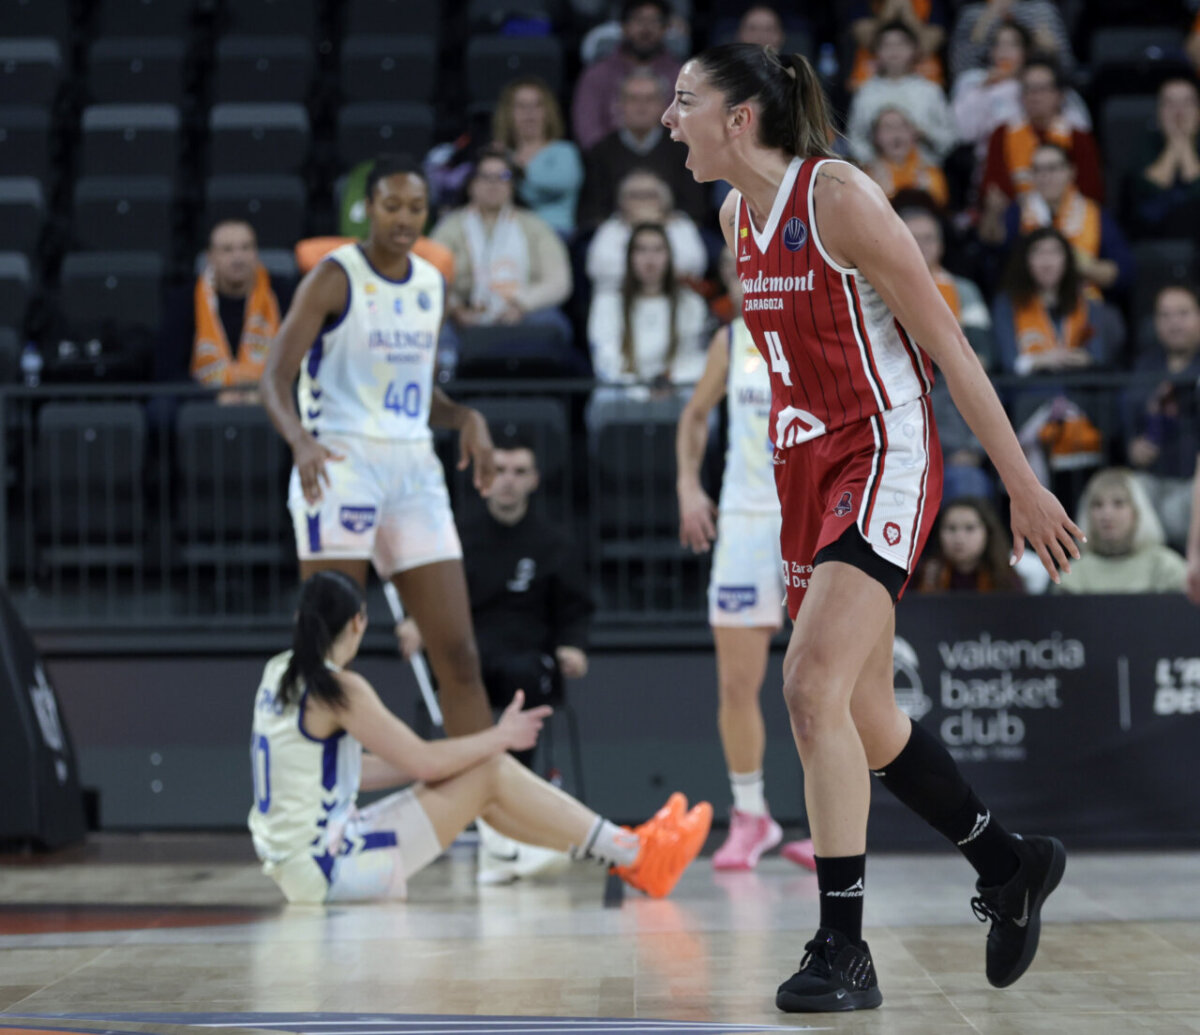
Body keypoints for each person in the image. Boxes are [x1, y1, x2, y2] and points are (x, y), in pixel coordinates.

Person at [663, 42, 1078, 1012]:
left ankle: (843, 949)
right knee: (864, 716)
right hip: (804, 469)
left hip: (884, 453)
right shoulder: (734, 217)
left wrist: (1018, 482)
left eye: (685, 102)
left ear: (738, 121)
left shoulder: (839, 198)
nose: (668, 118)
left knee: (807, 686)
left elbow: (948, 346)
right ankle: (1010, 865)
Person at [249, 570, 712, 904]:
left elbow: (356, 772)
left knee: (481, 781)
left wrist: (460, 760)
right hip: (330, 871)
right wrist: (498, 737)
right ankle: (635, 852)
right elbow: (424, 763)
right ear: (358, 623)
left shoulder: (278, 673)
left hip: (303, 864)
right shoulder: (340, 688)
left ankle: (627, 852)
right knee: (489, 769)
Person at [261, 156, 496, 740]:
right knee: (330, 652)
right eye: (392, 205)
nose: (404, 218)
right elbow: (272, 377)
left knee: (460, 655)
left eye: (416, 207)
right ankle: (314, 803)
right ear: (369, 208)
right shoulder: (335, 276)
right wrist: (300, 441)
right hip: (341, 464)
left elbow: (414, 391)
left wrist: (464, 416)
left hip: (413, 468)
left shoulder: (429, 282)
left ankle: (487, 818)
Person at [397, 435, 594, 884]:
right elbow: (429, 594)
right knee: (459, 676)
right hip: (468, 654)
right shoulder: (455, 537)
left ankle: (513, 815)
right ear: (484, 479)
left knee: (523, 681)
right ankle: (486, 817)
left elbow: (575, 607)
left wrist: (574, 646)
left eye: (519, 472)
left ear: (535, 480)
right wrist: (416, 622)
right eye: (500, 471)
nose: (508, 482)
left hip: (529, 654)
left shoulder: (554, 542)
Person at [676, 251, 815, 872]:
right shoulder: (731, 342)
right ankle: (751, 814)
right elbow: (696, 414)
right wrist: (687, 485)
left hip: (810, 518)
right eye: (739, 269)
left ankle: (827, 821)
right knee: (737, 683)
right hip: (745, 522)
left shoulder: (816, 327)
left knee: (821, 683)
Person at [899, 203, 994, 500]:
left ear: (940, 245)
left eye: (928, 238)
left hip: (953, 424)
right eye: (912, 238)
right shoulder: (875, 289)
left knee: (967, 482)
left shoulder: (964, 291)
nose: (922, 246)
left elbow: (981, 359)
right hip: (901, 416)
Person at [432, 146, 573, 336]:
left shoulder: (535, 226)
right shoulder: (450, 227)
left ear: (512, 185)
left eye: (503, 177)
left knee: (552, 324)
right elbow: (432, 278)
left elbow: (559, 282)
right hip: (465, 314)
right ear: (471, 184)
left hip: (523, 313)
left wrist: (522, 304)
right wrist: (456, 309)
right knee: (436, 326)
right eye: (486, 177)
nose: (494, 184)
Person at [156, 219, 291, 392]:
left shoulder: (282, 293)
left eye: (246, 248)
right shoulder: (184, 299)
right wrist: (215, 397)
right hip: (205, 403)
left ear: (256, 253)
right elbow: (168, 371)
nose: (238, 258)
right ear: (210, 257)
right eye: (227, 249)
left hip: (271, 400)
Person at [978, 59, 1103, 232]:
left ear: (1060, 95)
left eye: (1042, 88)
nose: (1034, 96)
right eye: (1028, 89)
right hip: (1016, 222)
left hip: (1071, 220)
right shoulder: (1002, 134)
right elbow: (995, 189)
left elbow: (1091, 190)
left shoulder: (1078, 137)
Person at [991, 144, 1133, 297]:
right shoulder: (1018, 212)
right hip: (1028, 305)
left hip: (1083, 303)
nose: (1045, 177)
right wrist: (992, 213)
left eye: (1052, 168)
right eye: (1038, 170)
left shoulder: (1094, 213)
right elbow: (996, 253)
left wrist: (1081, 266)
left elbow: (1124, 271)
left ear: (1071, 171)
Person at [577, 68, 709, 230]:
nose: (641, 107)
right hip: (617, 231)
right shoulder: (601, 151)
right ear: (619, 104)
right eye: (633, 99)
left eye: (649, 99)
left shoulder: (685, 149)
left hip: (672, 230)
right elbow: (592, 212)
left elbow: (695, 209)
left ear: (663, 106)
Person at [950, 20, 1091, 165]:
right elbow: (962, 133)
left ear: (1026, 51)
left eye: (1012, 44)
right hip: (994, 163)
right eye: (997, 44)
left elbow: (1080, 128)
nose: (1004, 51)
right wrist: (983, 90)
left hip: (1046, 160)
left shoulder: (1047, 80)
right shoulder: (973, 80)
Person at [1124, 284, 1200, 551]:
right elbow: (1127, 421)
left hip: (1194, 481)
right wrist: (1133, 446)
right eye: (1165, 316)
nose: (1174, 323)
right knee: (1123, 493)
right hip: (1153, 478)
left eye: (1183, 313)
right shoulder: (1145, 365)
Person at [588, 221, 708, 390]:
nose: (650, 259)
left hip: (674, 392)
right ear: (629, 256)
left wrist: (666, 384)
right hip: (621, 396)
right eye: (641, 250)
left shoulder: (691, 303)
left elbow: (694, 358)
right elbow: (605, 361)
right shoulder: (607, 302)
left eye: (658, 249)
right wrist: (641, 391)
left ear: (669, 256)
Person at [992, 227, 1116, 376]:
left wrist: (1078, 358)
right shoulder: (1007, 304)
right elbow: (1008, 362)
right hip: (1028, 391)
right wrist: (1043, 360)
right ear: (1025, 261)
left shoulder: (1087, 304)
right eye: (1038, 253)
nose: (1047, 262)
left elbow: (1098, 356)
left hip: (1077, 389)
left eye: (1054, 253)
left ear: (1067, 260)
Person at [1055, 468, 1187, 594]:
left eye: (1118, 503)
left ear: (1137, 512)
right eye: (1097, 505)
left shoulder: (1165, 567)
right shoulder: (1074, 574)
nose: (1106, 515)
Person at [572, 0, 682, 151]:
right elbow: (588, 130)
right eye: (638, 20)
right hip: (608, 166)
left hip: (670, 165)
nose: (646, 29)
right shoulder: (597, 75)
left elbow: (689, 130)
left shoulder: (683, 77)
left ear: (665, 29)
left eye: (654, 21)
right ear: (623, 27)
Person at [845, 21, 956, 167]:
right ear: (876, 52)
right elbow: (854, 138)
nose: (894, 51)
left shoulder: (930, 90)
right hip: (876, 172)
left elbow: (949, 138)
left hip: (924, 170)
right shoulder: (865, 92)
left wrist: (923, 133)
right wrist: (872, 162)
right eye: (887, 45)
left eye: (901, 44)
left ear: (914, 49)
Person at [585, 169, 707, 295]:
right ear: (622, 201)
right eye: (635, 195)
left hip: (675, 296)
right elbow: (599, 269)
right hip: (619, 297)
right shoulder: (611, 228)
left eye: (649, 195)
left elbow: (693, 266)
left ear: (665, 199)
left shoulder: (681, 225)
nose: (642, 201)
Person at [493, 77, 583, 236]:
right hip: (508, 234)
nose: (530, 113)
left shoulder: (564, 151)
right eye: (521, 106)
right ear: (508, 113)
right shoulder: (503, 155)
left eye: (537, 105)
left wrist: (513, 168)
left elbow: (562, 182)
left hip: (556, 234)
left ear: (548, 112)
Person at [1131, 78, 1200, 239]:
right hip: (1153, 237)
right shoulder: (1144, 144)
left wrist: (1185, 144)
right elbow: (1150, 190)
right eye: (1170, 103)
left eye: (1187, 103)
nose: (1179, 112)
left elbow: (1196, 187)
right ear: (1158, 111)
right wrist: (1175, 144)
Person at [915, 497, 1024, 592]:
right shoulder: (926, 574)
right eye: (951, 528)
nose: (959, 538)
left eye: (969, 528)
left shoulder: (1005, 577)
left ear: (988, 532)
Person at [949, 0, 1073, 81]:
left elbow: (1067, 67)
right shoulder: (971, 14)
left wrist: (1051, 50)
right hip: (988, 85)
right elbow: (960, 72)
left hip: (1032, 85)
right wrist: (988, 18)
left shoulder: (1042, 10)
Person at [844, 0, 947, 92]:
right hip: (869, 80)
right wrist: (889, 11)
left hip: (924, 79)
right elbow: (868, 42)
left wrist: (908, 13)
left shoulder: (933, 3)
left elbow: (927, 46)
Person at [864, 107, 949, 208]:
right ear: (876, 137)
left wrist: (927, 196)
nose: (896, 134)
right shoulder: (867, 177)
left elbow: (941, 213)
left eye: (902, 127)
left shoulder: (932, 174)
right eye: (887, 128)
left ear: (914, 133)